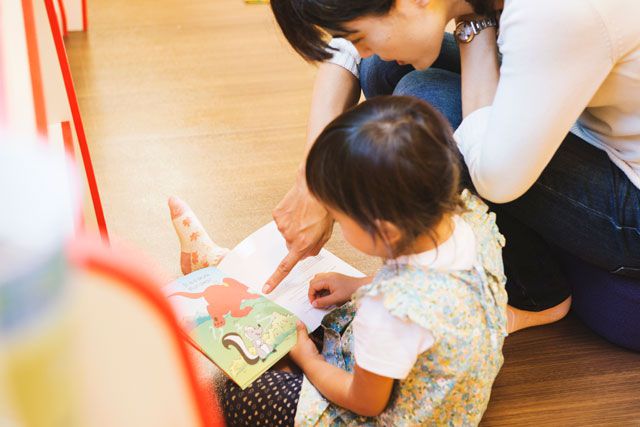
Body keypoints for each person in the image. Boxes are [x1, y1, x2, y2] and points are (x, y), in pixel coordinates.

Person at [265, 0, 640, 336]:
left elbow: (496, 179)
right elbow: (349, 41)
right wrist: (313, 174)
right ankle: (457, 257)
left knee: (423, 102)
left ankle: (534, 296)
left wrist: (470, 26)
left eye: (360, 34)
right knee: (379, 67)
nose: (357, 46)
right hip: (584, 114)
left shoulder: (553, 12)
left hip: (630, 191)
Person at [170, 96, 508, 425]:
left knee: (242, 395)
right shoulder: (472, 225)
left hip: (393, 411)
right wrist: (358, 285)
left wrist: (310, 359)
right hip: (448, 390)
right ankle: (233, 279)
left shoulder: (389, 309)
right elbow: (438, 294)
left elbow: (367, 402)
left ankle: (280, 355)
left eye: (337, 217)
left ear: (383, 230)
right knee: (329, 316)